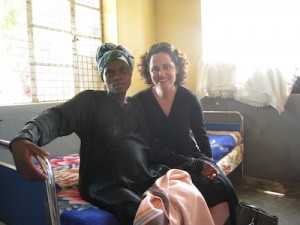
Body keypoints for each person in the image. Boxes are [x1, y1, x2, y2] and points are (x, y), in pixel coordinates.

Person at [9, 43, 218, 225]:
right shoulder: (89, 102)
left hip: (143, 174)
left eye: (123, 70)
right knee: (149, 216)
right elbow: (56, 117)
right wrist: (25, 137)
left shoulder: (136, 106)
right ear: (102, 76)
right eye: (110, 72)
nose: (117, 76)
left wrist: (194, 164)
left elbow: (152, 147)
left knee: (188, 192)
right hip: (106, 184)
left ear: (130, 73)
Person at [134, 42, 239, 225]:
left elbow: (201, 135)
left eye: (166, 66)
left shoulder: (189, 98)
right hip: (158, 160)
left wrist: (209, 164)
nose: (161, 74)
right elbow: (148, 145)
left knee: (221, 185)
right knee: (184, 189)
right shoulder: (139, 102)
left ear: (177, 67)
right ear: (148, 72)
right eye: (155, 69)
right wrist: (195, 165)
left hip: (188, 153)